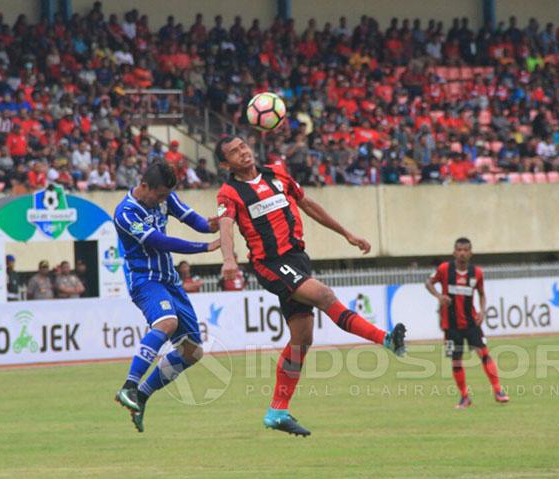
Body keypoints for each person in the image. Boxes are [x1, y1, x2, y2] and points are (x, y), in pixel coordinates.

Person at [214, 136, 406, 436]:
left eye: (243, 147)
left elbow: (308, 205)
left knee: (302, 339)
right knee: (324, 295)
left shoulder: (277, 173)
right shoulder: (229, 193)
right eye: (234, 153)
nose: (243, 153)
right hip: (271, 263)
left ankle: (277, 411)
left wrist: (347, 234)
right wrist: (228, 259)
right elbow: (226, 227)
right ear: (226, 164)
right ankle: (386, 339)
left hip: (298, 258)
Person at [113, 161, 220, 433]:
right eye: (159, 195)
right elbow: (159, 242)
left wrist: (216, 224)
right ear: (144, 186)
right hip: (144, 280)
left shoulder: (165, 197)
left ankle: (143, 395)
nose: (163, 200)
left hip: (170, 281)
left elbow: (196, 221)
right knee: (166, 322)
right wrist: (204, 247)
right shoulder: (125, 213)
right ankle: (129, 385)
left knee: (192, 351)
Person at [424, 237, 509, 409]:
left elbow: (482, 294)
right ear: (454, 252)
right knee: (456, 361)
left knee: (484, 354)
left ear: (470, 253)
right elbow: (428, 282)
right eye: (459, 250)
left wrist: (483, 311)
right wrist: (439, 297)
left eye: (466, 250)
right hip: (450, 325)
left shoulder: (476, 273)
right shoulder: (444, 269)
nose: (462, 253)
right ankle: (464, 397)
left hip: (471, 324)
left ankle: (498, 390)